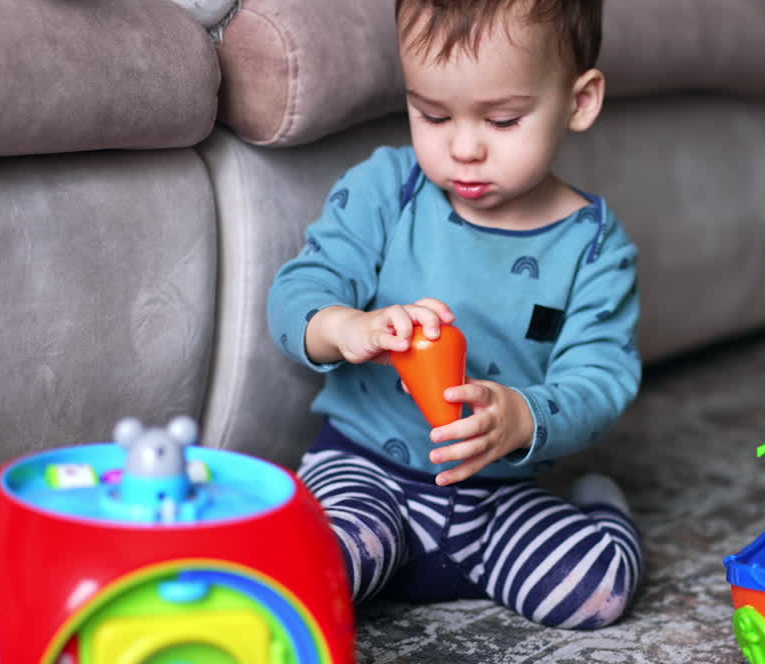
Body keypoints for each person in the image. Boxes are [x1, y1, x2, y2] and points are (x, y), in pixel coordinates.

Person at [266, 0, 641, 630]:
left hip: (499, 498)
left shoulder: (596, 247)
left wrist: (523, 416)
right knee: (315, 566)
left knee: (594, 589)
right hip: (365, 471)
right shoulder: (390, 188)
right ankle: (353, 552)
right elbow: (299, 289)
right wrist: (346, 327)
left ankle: (602, 507)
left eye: (502, 120)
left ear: (579, 102)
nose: (463, 148)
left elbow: (602, 376)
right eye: (432, 114)